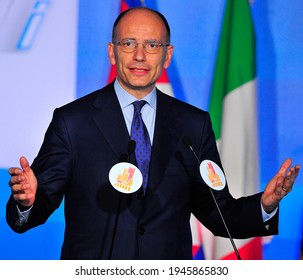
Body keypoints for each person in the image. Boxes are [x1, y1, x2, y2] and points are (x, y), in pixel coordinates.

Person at [7, 7, 300, 260]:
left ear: (167, 55)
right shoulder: (73, 121)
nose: (139, 55)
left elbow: (217, 213)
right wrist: (26, 201)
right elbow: (36, 206)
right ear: (112, 52)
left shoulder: (192, 124)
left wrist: (265, 204)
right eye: (129, 43)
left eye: (152, 45)